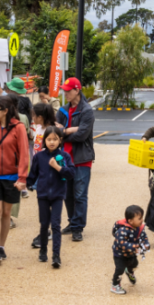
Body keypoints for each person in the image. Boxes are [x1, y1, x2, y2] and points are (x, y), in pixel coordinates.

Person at [0, 95, 30, 265]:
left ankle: (2, 246)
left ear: (5, 111)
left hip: (12, 177)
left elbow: (24, 153)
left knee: (6, 213)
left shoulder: (18, 128)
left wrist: (22, 177)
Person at [57, 77, 95, 242]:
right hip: (65, 159)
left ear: (77, 90)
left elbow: (82, 135)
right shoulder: (62, 110)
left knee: (80, 194)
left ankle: (78, 227)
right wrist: (69, 130)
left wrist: (64, 132)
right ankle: (72, 223)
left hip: (82, 159)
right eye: (64, 90)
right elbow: (53, 132)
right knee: (67, 194)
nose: (65, 93)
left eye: (68, 90)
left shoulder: (87, 110)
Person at [28, 125, 73, 268]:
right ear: (44, 141)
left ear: (60, 140)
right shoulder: (39, 156)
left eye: (55, 139)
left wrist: (58, 167)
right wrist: (24, 184)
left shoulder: (64, 156)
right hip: (42, 194)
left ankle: (56, 255)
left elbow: (71, 174)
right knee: (44, 224)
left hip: (58, 194)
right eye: (49, 139)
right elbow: (33, 174)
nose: (52, 142)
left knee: (56, 224)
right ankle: (43, 250)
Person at [111, 204, 150, 295]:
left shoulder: (139, 228)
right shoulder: (123, 230)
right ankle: (115, 285)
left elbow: (144, 237)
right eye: (139, 218)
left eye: (142, 218)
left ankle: (129, 271)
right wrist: (134, 246)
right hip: (120, 255)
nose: (142, 220)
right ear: (130, 221)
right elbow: (122, 243)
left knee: (134, 264)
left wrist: (146, 244)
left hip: (131, 254)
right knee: (120, 269)